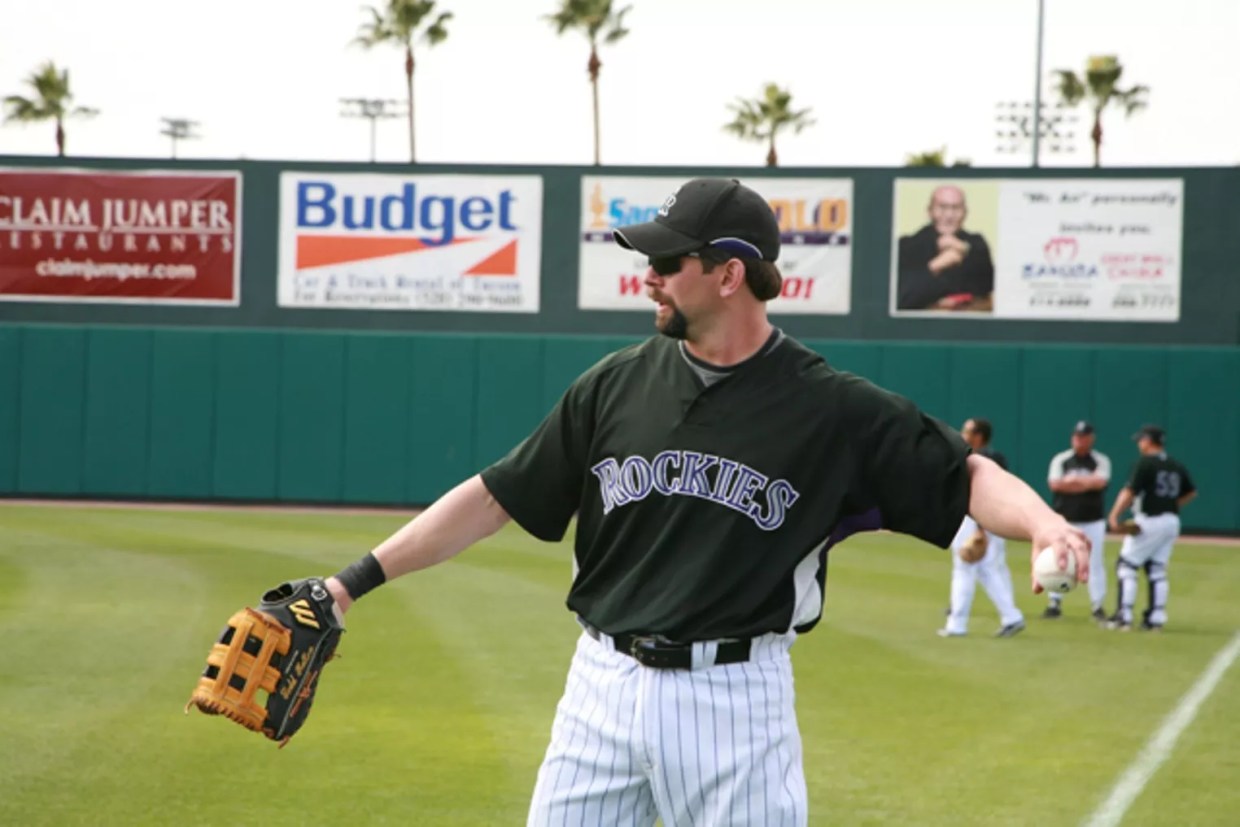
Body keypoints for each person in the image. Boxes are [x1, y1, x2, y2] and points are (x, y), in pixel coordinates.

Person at [319, 178, 1090, 825]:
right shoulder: (616, 384)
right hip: (601, 687)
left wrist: (1047, 521)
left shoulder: (829, 409)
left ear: (728, 273)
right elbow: (496, 496)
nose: (648, 274)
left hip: (732, 703)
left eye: (667, 259)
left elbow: (966, 476)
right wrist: (349, 582)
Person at [939, 418, 1026, 638]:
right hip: (989, 518)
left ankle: (959, 624)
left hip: (977, 519)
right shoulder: (996, 458)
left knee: (968, 567)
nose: (962, 433)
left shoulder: (975, 459)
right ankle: (1009, 617)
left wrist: (981, 528)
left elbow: (981, 494)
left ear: (978, 436)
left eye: (967, 431)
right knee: (985, 570)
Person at [1105, 425, 1196, 632]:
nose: (1139, 443)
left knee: (1126, 565)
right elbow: (1191, 492)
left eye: (1141, 439)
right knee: (1156, 569)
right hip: (1172, 521)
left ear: (1148, 441)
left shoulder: (1145, 463)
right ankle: (1156, 618)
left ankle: (1124, 615)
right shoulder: (1175, 464)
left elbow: (1129, 491)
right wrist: (1170, 505)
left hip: (1149, 520)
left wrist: (1114, 515)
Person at [1044, 420, 1112, 623]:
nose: (1079, 440)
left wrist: (1073, 482)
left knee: (1095, 562)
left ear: (1091, 438)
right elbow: (1056, 485)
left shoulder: (1100, 460)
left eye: (1083, 436)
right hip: (1065, 518)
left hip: (1093, 519)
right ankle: (1054, 602)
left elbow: (1100, 482)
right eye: (1076, 436)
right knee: (1060, 559)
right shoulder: (1062, 459)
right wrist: (1086, 483)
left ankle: (1097, 605)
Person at [895, 184, 995, 311]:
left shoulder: (976, 244)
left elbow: (988, 286)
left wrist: (963, 249)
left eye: (956, 208)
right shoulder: (907, 245)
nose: (949, 215)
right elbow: (901, 298)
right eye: (942, 207)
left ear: (965, 212)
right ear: (930, 211)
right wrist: (936, 265)